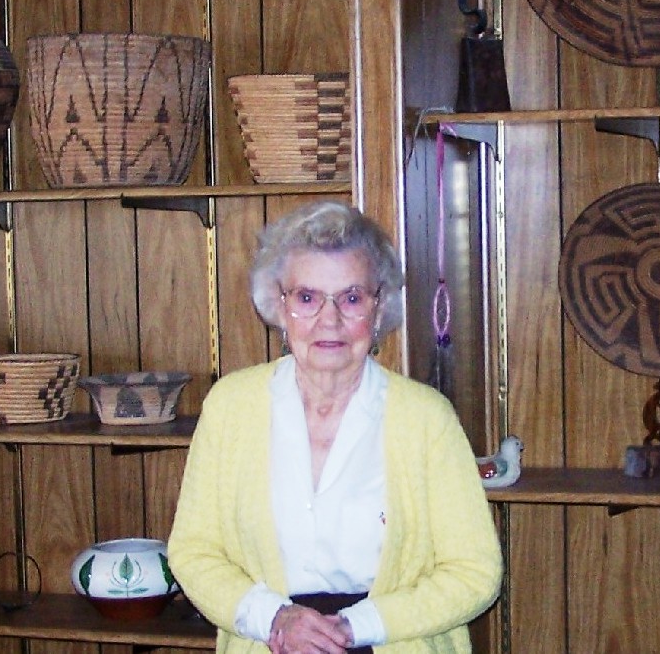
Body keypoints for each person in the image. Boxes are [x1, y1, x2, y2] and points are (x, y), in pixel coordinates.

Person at [169, 201, 502, 654]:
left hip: (390, 641)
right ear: (279, 304)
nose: (330, 319)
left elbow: (475, 572)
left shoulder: (426, 418)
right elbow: (193, 551)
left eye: (351, 298)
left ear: (378, 308)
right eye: (307, 298)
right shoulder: (230, 407)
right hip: (271, 641)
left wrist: (355, 627)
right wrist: (275, 619)